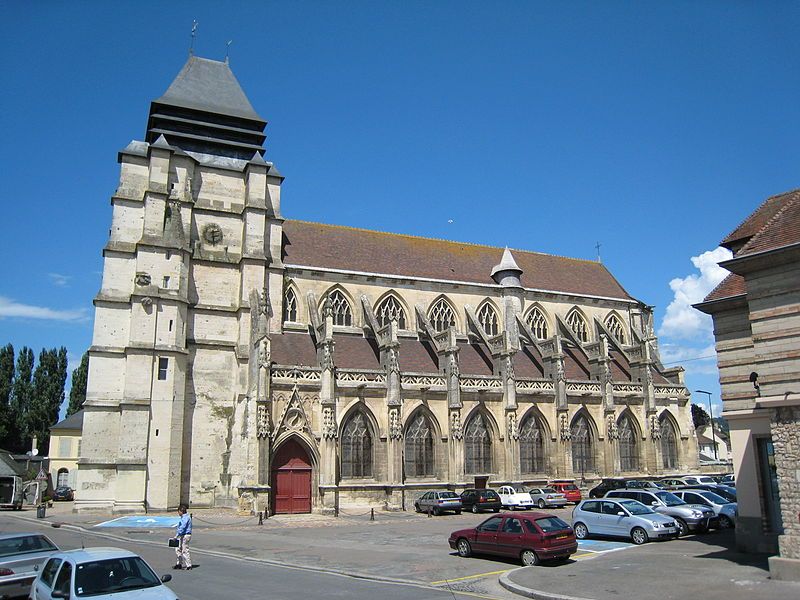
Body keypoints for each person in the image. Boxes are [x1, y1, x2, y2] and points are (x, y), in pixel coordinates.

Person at [173, 504, 192, 570]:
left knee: (184, 550)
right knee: (178, 549)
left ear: (181, 511)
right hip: (182, 535)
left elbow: (182, 527)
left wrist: (176, 536)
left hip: (185, 535)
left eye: (178, 511)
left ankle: (188, 565)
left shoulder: (185, 518)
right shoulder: (185, 517)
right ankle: (179, 564)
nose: (178, 513)